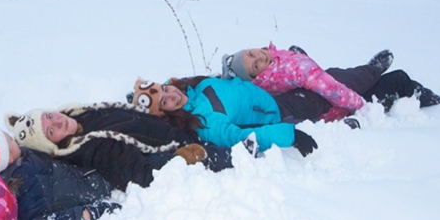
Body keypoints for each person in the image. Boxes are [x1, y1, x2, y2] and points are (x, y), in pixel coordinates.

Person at [5, 102, 231, 192]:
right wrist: (182, 159)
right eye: (51, 131)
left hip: (181, 126)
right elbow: (143, 177)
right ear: (51, 145)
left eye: (48, 116)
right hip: (193, 146)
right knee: (242, 150)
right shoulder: (95, 150)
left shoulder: (82, 114)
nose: (57, 121)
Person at [223, 44, 440, 121]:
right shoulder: (288, 72)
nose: (259, 58)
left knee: (345, 75)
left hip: (327, 90)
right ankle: (438, 100)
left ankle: (372, 73)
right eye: (255, 65)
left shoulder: (277, 64)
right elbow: (328, 87)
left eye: (252, 53)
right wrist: (362, 107)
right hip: (339, 102)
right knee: (397, 80)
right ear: (259, 77)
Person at [0, 124, 120, 220]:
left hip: (81, 175)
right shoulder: (23, 180)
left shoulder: (20, 160)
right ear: (8, 158)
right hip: (90, 189)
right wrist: (88, 214)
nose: (14, 138)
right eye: (10, 139)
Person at [130, 77, 318, 157]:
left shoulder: (190, 86)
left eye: (165, 89)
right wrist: (289, 136)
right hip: (281, 113)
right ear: (164, 113)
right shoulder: (203, 122)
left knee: (331, 76)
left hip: (272, 97)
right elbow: (239, 138)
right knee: (332, 89)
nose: (171, 94)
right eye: (164, 102)